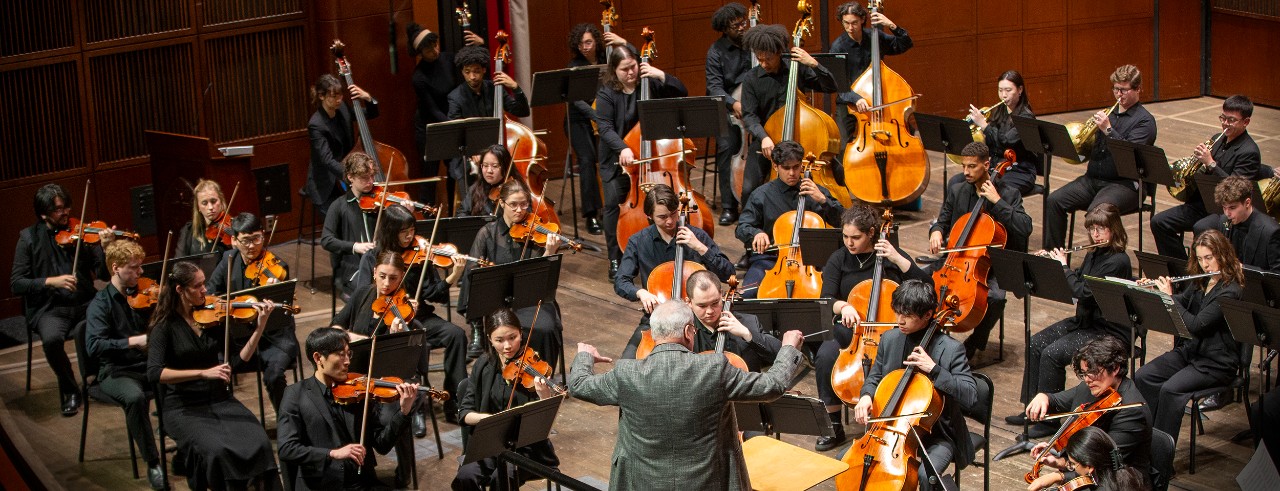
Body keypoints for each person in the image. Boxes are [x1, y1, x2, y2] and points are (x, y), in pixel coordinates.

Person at [569, 300, 806, 490]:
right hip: (710, 483)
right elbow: (773, 385)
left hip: (642, 483)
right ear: (689, 331)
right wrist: (787, 348)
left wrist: (585, 356)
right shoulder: (714, 369)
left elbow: (579, 384)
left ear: (653, 334)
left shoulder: (627, 373)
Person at [145, 261, 280, 489]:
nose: (205, 290)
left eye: (204, 284)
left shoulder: (212, 318)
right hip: (183, 407)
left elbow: (236, 361)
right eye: (197, 286)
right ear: (180, 290)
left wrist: (260, 327)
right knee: (218, 451)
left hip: (220, 399)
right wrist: (203, 373)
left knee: (260, 443)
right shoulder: (163, 327)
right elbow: (154, 372)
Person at [813, 204, 931, 451]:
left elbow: (926, 286)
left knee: (891, 358)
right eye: (845, 236)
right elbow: (826, 299)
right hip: (853, 328)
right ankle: (833, 424)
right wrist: (843, 306)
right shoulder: (839, 259)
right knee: (825, 355)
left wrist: (898, 259)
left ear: (871, 233)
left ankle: (888, 418)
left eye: (856, 237)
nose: (849, 243)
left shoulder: (889, 258)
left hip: (890, 330)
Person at [1010, 203, 1133, 438]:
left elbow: (1085, 292)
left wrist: (1064, 267)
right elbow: (1079, 278)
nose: (1095, 235)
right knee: (1036, 343)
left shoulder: (1118, 261)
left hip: (1106, 330)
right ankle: (1032, 408)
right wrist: (1055, 264)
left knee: (1052, 354)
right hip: (1086, 321)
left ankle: (1049, 419)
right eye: (1092, 229)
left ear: (1114, 230)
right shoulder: (1095, 252)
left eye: (1101, 229)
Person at [851, 279, 977, 490]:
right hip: (890, 430)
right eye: (898, 312)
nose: (900, 320)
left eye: (907, 315)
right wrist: (866, 396)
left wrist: (935, 370)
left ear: (928, 315)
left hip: (937, 435)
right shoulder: (890, 339)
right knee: (848, 463)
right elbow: (875, 377)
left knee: (927, 477)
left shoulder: (951, 349)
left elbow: (971, 395)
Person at [350, 203, 468, 427]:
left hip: (419, 317)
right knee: (412, 344)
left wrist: (454, 275)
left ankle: (455, 402)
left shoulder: (418, 254)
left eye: (412, 230)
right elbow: (363, 296)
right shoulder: (372, 259)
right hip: (384, 324)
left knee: (456, 334)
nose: (410, 236)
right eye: (404, 231)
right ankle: (416, 406)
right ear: (390, 231)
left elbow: (435, 294)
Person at [11, 183, 113, 416]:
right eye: (58, 209)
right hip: (50, 307)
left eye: (66, 206)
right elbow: (17, 283)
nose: (65, 212)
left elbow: (104, 276)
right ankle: (70, 389)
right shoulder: (28, 239)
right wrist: (50, 282)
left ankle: (101, 379)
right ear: (43, 213)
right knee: (51, 340)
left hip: (84, 301)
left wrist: (106, 249)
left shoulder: (84, 233)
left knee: (111, 317)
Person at [1134, 229, 1244, 443]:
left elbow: (1196, 324)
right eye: (1201, 258)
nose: (1205, 265)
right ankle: (1143, 441)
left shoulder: (1230, 291)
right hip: (1191, 353)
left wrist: (1169, 298)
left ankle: (1160, 455)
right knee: (1144, 376)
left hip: (1215, 363)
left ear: (1222, 254)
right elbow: (1183, 301)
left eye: (1209, 258)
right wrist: (1158, 292)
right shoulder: (1202, 281)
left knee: (1170, 389)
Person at [590, 43, 689, 280]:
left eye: (633, 66)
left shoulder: (650, 83)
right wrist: (623, 147)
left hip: (652, 159)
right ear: (614, 71)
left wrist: (662, 75)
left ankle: (660, 250)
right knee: (614, 204)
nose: (631, 72)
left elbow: (682, 92)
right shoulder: (606, 93)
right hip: (617, 159)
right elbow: (604, 127)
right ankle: (615, 258)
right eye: (624, 69)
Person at [276, 327, 418, 491]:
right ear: (318, 358)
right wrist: (332, 453)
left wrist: (404, 411)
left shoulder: (358, 393)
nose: (347, 361)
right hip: (321, 485)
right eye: (340, 354)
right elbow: (287, 448)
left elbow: (382, 445)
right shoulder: (295, 394)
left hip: (361, 483)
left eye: (348, 354)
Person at [927, 141, 1032, 358]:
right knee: (924, 284)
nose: (966, 172)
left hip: (991, 265)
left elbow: (1025, 227)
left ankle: (975, 342)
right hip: (956, 260)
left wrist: (997, 201)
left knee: (995, 297)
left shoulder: (1009, 193)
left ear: (987, 164)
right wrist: (936, 232)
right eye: (964, 166)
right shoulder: (957, 190)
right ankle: (931, 338)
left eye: (972, 166)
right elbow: (943, 220)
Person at [1043, 64, 1156, 250]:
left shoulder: (1145, 121)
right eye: (1116, 89)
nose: (1119, 94)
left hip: (1125, 185)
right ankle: (1053, 257)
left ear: (1137, 89)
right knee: (1054, 201)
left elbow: (1129, 154)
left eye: (1124, 90)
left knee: (1097, 214)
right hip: (1092, 180)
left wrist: (1108, 130)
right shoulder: (1109, 112)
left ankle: (1097, 265)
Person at [614, 184, 735, 357]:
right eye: (662, 217)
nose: (670, 221)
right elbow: (620, 281)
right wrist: (640, 292)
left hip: (696, 322)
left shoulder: (697, 236)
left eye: (673, 214)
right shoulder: (638, 241)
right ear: (649, 215)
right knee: (627, 364)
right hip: (658, 320)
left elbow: (728, 274)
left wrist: (701, 248)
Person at [458, 179, 564, 368]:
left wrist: (549, 252)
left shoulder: (536, 233)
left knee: (546, 328)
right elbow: (471, 274)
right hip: (497, 303)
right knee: (507, 330)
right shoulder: (487, 234)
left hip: (532, 298)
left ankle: (543, 378)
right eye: (513, 205)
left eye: (524, 204)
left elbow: (544, 278)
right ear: (502, 204)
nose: (520, 210)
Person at [84, 240, 165, 490]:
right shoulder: (100, 305)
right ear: (116, 268)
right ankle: (153, 463)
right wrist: (132, 342)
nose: (141, 273)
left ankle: (186, 448)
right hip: (115, 371)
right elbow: (94, 346)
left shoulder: (143, 293)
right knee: (134, 398)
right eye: (134, 268)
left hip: (146, 364)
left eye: (140, 267)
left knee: (180, 379)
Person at [452, 308, 561, 491]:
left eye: (513, 337)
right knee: (465, 477)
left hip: (527, 451)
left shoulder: (533, 368)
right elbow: (464, 413)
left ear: (521, 333)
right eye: (499, 340)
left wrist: (544, 396)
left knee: (501, 479)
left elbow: (542, 425)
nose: (508, 346)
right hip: (490, 445)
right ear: (489, 339)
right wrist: (488, 420)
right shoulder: (483, 365)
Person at [204, 211, 299, 412]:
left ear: (263, 235)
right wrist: (230, 305)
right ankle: (230, 419)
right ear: (235, 241)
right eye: (246, 240)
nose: (252, 246)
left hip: (274, 338)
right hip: (240, 336)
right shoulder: (228, 259)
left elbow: (283, 310)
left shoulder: (277, 267)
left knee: (273, 376)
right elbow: (211, 293)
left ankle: (287, 423)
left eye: (256, 239)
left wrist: (274, 289)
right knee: (216, 368)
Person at [1022, 336, 1152, 480]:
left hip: (1120, 481)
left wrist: (1058, 476)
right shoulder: (1091, 387)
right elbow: (1057, 401)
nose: (1087, 379)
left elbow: (1104, 465)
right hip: (1089, 473)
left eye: (1093, 372)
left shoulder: (1131, 410)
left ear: (1115, 368)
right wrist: (1044, 397)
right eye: (1084, 373)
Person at [1152, 95, 1264, 260]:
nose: (1225, 123)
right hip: (1201, 203)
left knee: (1201, 227)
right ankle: (1181, 270)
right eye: (1223, 118)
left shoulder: (1249, 151)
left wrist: (1211, 164)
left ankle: (1200, 273)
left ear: (1245, 122)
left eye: (1231, 120)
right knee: (1159, 222)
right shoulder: (1217, 139)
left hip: (1225, 210)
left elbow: (1237, 189)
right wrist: (1194, 166)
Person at [739, 23, 837, 203]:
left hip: (801, 139)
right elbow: (749, 116)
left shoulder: (796, 67)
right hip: (768, 142)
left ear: (778, 52)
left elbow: (830, 87)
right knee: (748, 189)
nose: (764, 64)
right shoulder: (751, 79)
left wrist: (814, 65)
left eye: (768, 58)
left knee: (839, 174)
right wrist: (764, 137)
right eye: (759, 59)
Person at [735, 140, 845, 297]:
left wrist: (823, 201)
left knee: (828, 294)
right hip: (770, 260)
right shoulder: (761, 195)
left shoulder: (815, 192)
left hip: (812, 261)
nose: (792, 173)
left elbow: (845, 221)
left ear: (801, 165)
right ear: (775, 166)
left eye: (796, 167)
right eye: (786, 168)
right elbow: (742, 227)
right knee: (748, 295)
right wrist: (756, 233)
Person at [407, 23, 482, 207]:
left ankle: (453, 210)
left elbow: (472, 64)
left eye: (435, 44)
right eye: (429, 48)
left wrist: (479, 44)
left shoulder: (448, 59)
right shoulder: (419, 77)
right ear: (420, 52)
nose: (435, 50)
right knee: (430, 176)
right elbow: (433, 110)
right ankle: (428, 216)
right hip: (430, 129)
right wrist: (456, 124)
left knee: (455, 170)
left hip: (450, 121)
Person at [830, 1, 913, 145]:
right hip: (849, 100)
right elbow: (840, 84)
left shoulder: (874, 36)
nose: (850, 28)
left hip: (878, 98)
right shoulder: (838, 47)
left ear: (862, 19)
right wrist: (856, 98)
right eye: (846, 23)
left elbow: (904, 45)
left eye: (854, 23)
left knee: (904, 131)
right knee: (843, 145)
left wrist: (891, 26)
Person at [565, 23, 618, 235]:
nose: (585, 47)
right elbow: (576, 100)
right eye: (580, 44)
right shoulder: (574, 65)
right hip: (579, 119)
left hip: (605, 118)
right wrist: (597, 115)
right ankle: (591, 214)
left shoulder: (609, 59)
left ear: (596, 41)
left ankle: (614, 206)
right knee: (587, 160)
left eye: (588, 42)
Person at [705, 2, 754, 224]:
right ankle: (729, 205)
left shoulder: (754, 43)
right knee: (727, 147)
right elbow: (715, 87)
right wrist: (733, 103)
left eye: (743, 22)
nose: (742, 28)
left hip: (754, 108)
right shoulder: (716, 51)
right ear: (725, 29)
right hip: (728, 108)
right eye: (736, 26)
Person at [307, 73, 378, 220]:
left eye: (340, 95)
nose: (339, 100)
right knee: (344, 220)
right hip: (328, 182)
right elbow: (327, 161)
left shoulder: (343, 109)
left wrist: (368, 98)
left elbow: (371, 114)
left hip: (348, 173)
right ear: (321, 96)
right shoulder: (316, 125)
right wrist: (352, 176)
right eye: (334, 96)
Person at [684, 269, 782, 371]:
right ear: (689, 302)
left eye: (715, 303)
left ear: (721, 294)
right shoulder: (682, 331)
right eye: (702, 306)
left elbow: (780, 354)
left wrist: (748, 335)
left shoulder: (748, 322)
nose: (710, 311)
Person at [961, 70, 1039, 196]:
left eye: (1008, 90)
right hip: (996, 166)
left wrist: (985, 126)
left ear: (1020, 90)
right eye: (1000, 90)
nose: (1003, 95)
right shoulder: (999, 111)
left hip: (1020, 170)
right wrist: (980, 135)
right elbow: (991, 147)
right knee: (957, 183)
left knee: (994, 188)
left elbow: (1007, 142)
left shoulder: (1026, 117)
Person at [320, 152, 378, 300]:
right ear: (350, 177)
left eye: (372, 176)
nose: (370, 182)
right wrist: (354, 246)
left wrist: (405, 210)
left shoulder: (379, 202)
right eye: (365, 177)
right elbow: (326, 240)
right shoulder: (339, 206)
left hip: (381, 265)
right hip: (353, 269)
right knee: (369, 291)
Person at [1192, 176, 1280, 271]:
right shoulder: (1224, 221)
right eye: (1224, 208)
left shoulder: (1271, 231)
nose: (1227, 213)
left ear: (1247, 203)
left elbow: (1276, 275)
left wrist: (1243, 268)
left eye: (1232, 208)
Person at [1027, 427, 1151, 491]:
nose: (1070, 467)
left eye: (1072, 464)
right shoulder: (1125, 474)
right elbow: (1086, 478)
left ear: (1090, 467)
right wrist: (1058, 476)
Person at [458, 144, 518, 218]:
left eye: (495, 166)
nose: (489, 171)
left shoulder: (517, 190)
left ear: (506, 167)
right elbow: (461, 213)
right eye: (485, 165)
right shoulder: (476, 188)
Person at [176, 179, 232, 257]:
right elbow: (179, 264)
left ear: (221, 201)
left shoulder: (233, 225)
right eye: (204, 203)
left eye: (213, 201)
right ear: (198, 207)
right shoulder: (188, 231)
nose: (210, 207)